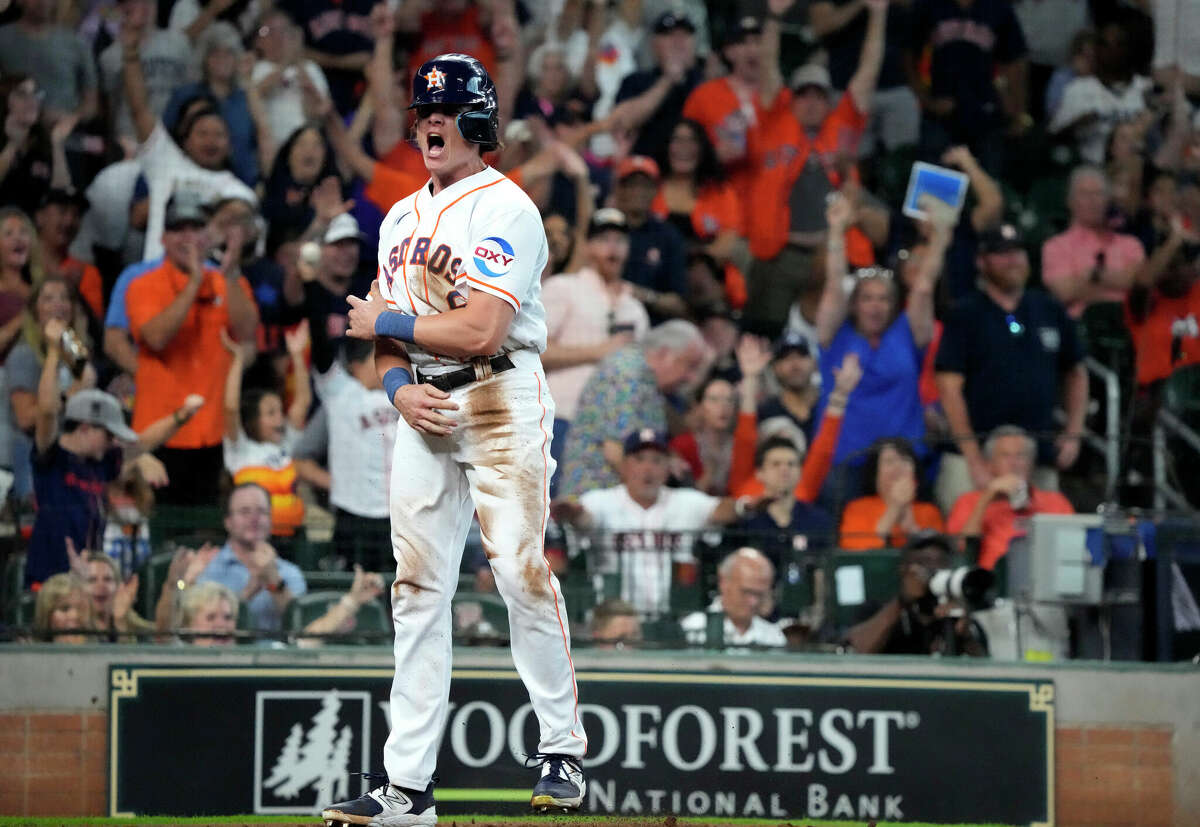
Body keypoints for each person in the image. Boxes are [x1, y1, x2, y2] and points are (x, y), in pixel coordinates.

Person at [322, 54, 586, 825]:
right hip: (423, 406)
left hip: (500, 390)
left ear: (479, 120)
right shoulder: (399, 218)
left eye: (446, 110)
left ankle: (562, 747)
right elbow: (381, 344)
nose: (430, 122)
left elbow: (481, 327)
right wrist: (398, 387)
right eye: (422, 111)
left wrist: (390, 327)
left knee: (519, 571)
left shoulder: (508, 208)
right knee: (417, 591)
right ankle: (407, 787)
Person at [743, 0, 889, 337]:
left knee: (838, 337)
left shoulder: (843, 126)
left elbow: (869, 70)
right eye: (803, 95)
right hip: (782, 254)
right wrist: (775, 19)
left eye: (818, 95)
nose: (810, 102)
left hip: (835, 253)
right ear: (791, 100)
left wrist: (879, 14)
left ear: (829, 100)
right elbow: (768, 68)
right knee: (768, 334)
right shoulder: (775, 121)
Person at [934, 223, 1088, 512]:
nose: (1012, 260)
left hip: (1036, 456)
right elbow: (948, 388)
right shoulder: (965, 313)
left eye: (1017, 252)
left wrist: (1073, 433)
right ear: (982, 261)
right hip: (973, 455)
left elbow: (1077, 372)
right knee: (967, 539)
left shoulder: (1048, 308)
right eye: (1001, 254)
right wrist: (973, 458)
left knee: (1043, 542)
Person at [124, 190, 259, 505]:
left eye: (195, 229)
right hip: (159, 435)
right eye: (178, 229)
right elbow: (156, 337)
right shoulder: (143, 285)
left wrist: (231, 273)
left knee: (207, 537)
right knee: (162, 538)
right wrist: (195, 282)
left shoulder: (227, 281)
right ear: (163, 239)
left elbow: (247, 330)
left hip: (213, 435)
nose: (188, 237)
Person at [815, 192, 949, 505]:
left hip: (903, 460)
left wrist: (940, 236)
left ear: (893, 304)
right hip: (844, 461)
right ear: (854, 304)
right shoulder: (836, 335)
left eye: (883, 299)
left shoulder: (907, 333)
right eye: (867, 298)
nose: (875, 306)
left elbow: (925, 285)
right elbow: (834, 282)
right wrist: (836, 230)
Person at [553, 429, 755, 616]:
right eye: (639, 459)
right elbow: (584, 517)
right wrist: (571, 512)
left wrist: (743, 506)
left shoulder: (685, 501)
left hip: (673, 616)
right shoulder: (600, 500)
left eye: (657, 460)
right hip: (614, 615)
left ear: (667, 468)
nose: (648, 468)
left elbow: (720, 510)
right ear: (624, 466)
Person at [26, 379, 202, 588]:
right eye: (109, 435)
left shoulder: (99, 463)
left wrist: (181, 416)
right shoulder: (52, 459)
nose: (113, 442)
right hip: (48, 580)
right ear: (84, 428)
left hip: (87, 581)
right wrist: (53, 354)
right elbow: (47, 412)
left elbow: (143, 442)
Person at [541, 208, 650, 494]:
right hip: (563, 418)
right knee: (554, 513)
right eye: (604, 239)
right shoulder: (563, 288)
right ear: (588, 246)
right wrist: (601, 351)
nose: (612, 248)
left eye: (620, 240)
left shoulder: (634, 308)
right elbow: (535, 352)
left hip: (616, 434)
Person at [557, 319, 710, 501]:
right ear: (663, 354)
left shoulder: (648, 378)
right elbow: (615, 450)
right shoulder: (627, 376)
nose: (691, 378)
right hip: (598, 503)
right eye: (689, 365)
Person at [221, 322, 321, 541]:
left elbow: (302, 401)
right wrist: (237, 360)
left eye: (279, 411)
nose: (280, 419)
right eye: (271, 413)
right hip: (254, 539)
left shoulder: (286, 444)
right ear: (253, 420)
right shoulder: (240, 449)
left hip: (293, 538)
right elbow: (230, 408)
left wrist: (296, 355)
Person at [906, 0, 1030, 175]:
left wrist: (1019, 111)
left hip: (986, 112)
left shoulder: (999, 7)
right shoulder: (929, 5)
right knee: (933, 187)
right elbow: (908, 55)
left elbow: (1015, 60)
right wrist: (926, 100)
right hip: (941, 112)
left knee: (987, 182)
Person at [7, 277, 96, 503]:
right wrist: (71, 394)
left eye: (65, 298)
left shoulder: (79, 355)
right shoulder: (24, 355)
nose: (58, 304)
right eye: (48, 299)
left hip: (76, 456)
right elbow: (26, 418)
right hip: (36, 455)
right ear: (35, 311)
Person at [946, 425, 1074, 571]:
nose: (1013, 463)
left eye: (1020, 456)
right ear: (989, 465)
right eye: (1005, 456)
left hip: (1042, 579)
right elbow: (961, 549)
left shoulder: (1056, 502)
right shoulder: (968, 501)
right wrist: (987, 496)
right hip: (989, 581)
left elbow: (1071, 549)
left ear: (1031, 464)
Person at [844, 533, 989, 655]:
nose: (933, 569)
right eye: (924, 562)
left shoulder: (957, 615)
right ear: (904, 569)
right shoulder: (877, 609)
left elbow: (986, 673)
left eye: (941, 562)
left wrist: (965, 636)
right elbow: (855, 651)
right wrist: (902, 602)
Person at [193, 482, 308, 634]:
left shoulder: (290, 572)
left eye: (261, 511)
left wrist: (275, 582)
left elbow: (300, 627)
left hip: (276, 655)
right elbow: (201, 625)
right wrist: (248, 593)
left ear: (271, 520)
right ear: (228, 522)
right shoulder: (207, 567)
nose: (254, 518)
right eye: (244, 511)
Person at [1042, 166, 1147, 319]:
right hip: (1082, 328)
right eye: (1084, 194)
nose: (1093, 201)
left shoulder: (1131, 244)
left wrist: (1092, 276)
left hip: (1128, 325)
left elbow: (1137, 285)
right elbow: (1065, 292)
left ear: (1108, 200)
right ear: (1070, 201)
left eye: (1098, 194)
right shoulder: (1055, 246)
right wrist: (1118, 282)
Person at [611, 10, 703, 158]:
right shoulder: (636, 81)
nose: (678, 42)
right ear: (654, 44)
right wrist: (668, 80)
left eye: (685, 35)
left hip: (697, 173)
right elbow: (623, 123)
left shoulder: (706, 81)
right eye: (669, 35)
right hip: (645, 172)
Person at [612, 156, 689, 323]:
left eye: (645, 186)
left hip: (653, 326)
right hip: (603, 318)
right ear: (619, 189)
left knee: (685, 333)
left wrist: (643, 295)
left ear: (655, 190)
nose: (638, 191)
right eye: (631, 185)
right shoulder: (603, 228)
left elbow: (678, 304)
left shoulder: (668, 236)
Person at [840, 438, 945, 550]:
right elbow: (857, 551)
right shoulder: (858, 509)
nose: (898, 467)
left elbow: (938, 554)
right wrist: (894, 508)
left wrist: (912, 527)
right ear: (875, 473)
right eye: (889, 461)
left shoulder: (929, 511)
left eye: (905, 460)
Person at [679, 548, 786, 647]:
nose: (753, 602)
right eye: (746, 592)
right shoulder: (692, 630)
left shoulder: (774, 638)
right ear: (723, 582)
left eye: (759, 594)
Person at [34, 189, 104, 322]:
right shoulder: (16, 264)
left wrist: (73, 292)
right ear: (40, 217)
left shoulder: (85, 273)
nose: (69, 221)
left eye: (76, 214)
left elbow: (94, 328)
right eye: (62, 211)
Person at [31, 572, 92, 644]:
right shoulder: (26, 653)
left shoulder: (104, 650)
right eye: (64, 609)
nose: (74, 615)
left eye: (81, 608)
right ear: (46, 613)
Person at [177, 580, 238, 646]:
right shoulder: (174, 655)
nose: (221, 625)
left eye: (227, 618)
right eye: (211, 617)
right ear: (189, 625)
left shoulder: (247, 655)